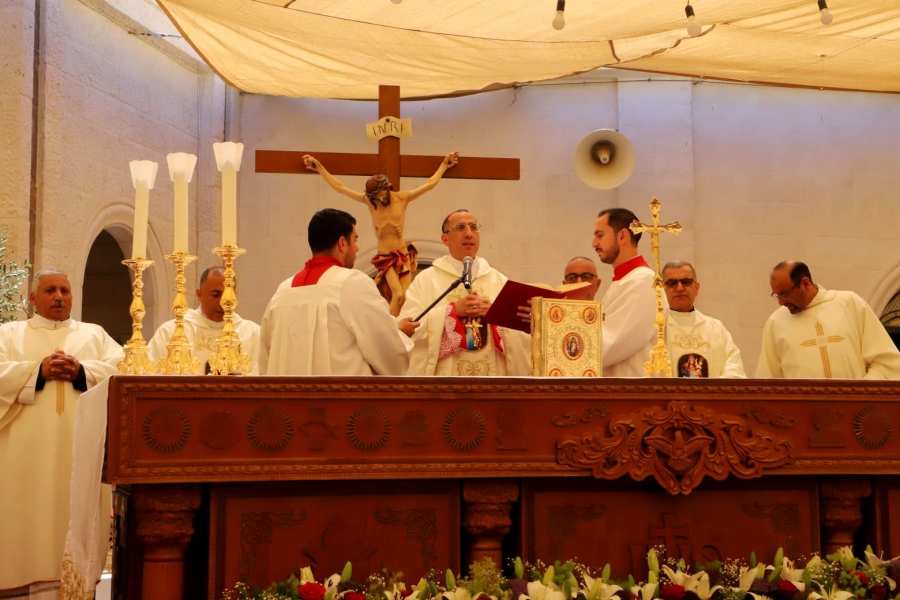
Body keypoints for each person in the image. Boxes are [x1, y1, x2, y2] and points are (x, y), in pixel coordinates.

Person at [0, 269, 123, 598]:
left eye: (65, 290)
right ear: (32, 298)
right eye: (50, 290)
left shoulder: (94, 335)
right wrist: (36, 372)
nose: (59, 296)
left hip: (79, 454)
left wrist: (83, 372)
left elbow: (124, 371)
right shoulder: (8, 335)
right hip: (22, 459)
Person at [260, 209, 416, 375]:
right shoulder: (352, 283)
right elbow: (388, 354)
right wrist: (399, 336)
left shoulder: (282, 292)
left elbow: (264, 360)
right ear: (342, 243)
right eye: (354, 240)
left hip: (286, 393)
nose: (357, 248)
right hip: (339, 392)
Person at [302, 151, 460, 316]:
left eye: (382, 194)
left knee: (406, 297)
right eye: (376, 197)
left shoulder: (402, 198)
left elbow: (429, 184)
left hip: (402, 253)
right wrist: (320, 168)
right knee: (397, 294)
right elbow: (340, 187)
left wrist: (444, 165)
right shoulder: (371, 203)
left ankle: (406, 326)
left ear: (387, 188)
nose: (381, 198)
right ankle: (392, 327)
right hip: (385, 256)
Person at [399, 209, 531, 376]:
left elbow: (524, 336)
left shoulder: (498, 280)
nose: (469, 233)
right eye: (460, 228)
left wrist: (495, 314)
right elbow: (408, 330)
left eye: (473, 227)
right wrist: (452, 312)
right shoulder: (426, 280)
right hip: (446, 382)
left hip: (492, 382)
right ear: (445, 239)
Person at [756, 261, 900, 379]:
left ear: (805, 283)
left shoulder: (850, 304)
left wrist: (861, 394)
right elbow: (768, 381)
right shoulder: (776, 322)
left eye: (785, 294)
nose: (781, 302)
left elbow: (886, 363)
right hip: (802, 406)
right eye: (777, 295)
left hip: (854, 404)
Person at [148, 266, 262, 374]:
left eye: (229, 295)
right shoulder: (171, 332)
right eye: (216, 295)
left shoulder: (253, 334)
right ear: (199, 295)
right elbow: (150, 375)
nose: (223, 302)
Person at [591, 208, 659, 377]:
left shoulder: (643, 281)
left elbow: (611, 343)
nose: (594, 243)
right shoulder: (624, 281)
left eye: (600, 235)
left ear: (622, 236)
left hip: (633, 389)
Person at [662, 260, 746, 378]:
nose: (679, 288)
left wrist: (711, 390)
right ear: (663, 290)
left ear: (696, 288)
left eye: (686, 282)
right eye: (672, 283)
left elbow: (734, 370)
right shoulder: (655, 331)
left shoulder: (716, 329)